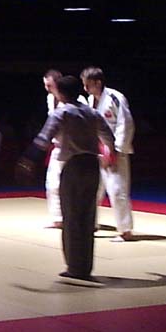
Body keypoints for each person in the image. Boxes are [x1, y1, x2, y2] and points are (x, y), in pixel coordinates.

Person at [18, 75, 115, 285]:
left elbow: (43, 139)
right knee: (87, 216)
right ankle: (85, 267)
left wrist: (28, 160)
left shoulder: (62, 113)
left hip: (73, 164)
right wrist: (109, 154)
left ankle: (74, 268)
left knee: (71, 216)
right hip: (93, 165)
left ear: (61, 93)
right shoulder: (92, 113)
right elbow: (109, 137)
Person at [81, 66, 135, 241]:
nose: (85, 88)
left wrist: (116, 150)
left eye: (88, 84)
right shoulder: (89, 101)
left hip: (114, 150)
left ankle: (125, 230)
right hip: (95, 150)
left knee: (117, 190)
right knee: (92, 190)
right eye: (84, 85)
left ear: (98, 82)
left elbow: (125, 124)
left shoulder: (115, 98)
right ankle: (90, 224)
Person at [43, 70, 88, 228]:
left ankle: (80, 218)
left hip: (76, 148)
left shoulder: (79, 100)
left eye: (49, 85)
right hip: (58, 146)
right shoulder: (50, 98)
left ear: (58, 84)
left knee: (76, 186)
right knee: (52, 183)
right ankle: (58, 218)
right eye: (45, 85)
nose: (47, 88)